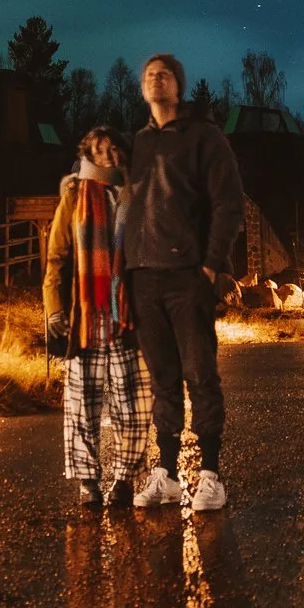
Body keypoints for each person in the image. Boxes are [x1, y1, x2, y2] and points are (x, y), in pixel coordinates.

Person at [123, 53, 245, 512]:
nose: (156, 78)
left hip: (187, 277)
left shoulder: (203, 137)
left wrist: (211, 266)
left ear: (179, 85)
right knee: (163, 380)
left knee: (200, 374)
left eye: (165, 72)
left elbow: (228, 202)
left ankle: (210, 475)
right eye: (149, 73)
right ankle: (167, 475)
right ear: (141, 88)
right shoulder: (136, 143)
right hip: (143, 278)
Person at [42, 125, 154, 505]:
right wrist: (54, 310)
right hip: (86, 316)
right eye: (99, 151)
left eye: (113, 150)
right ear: (87, 155)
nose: (108, 156)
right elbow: (56, 259)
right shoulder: (73, 196)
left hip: (128, 317)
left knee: (135, 404)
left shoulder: (136, 194)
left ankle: (124, 479)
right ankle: (88, 482)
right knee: (81, 406)